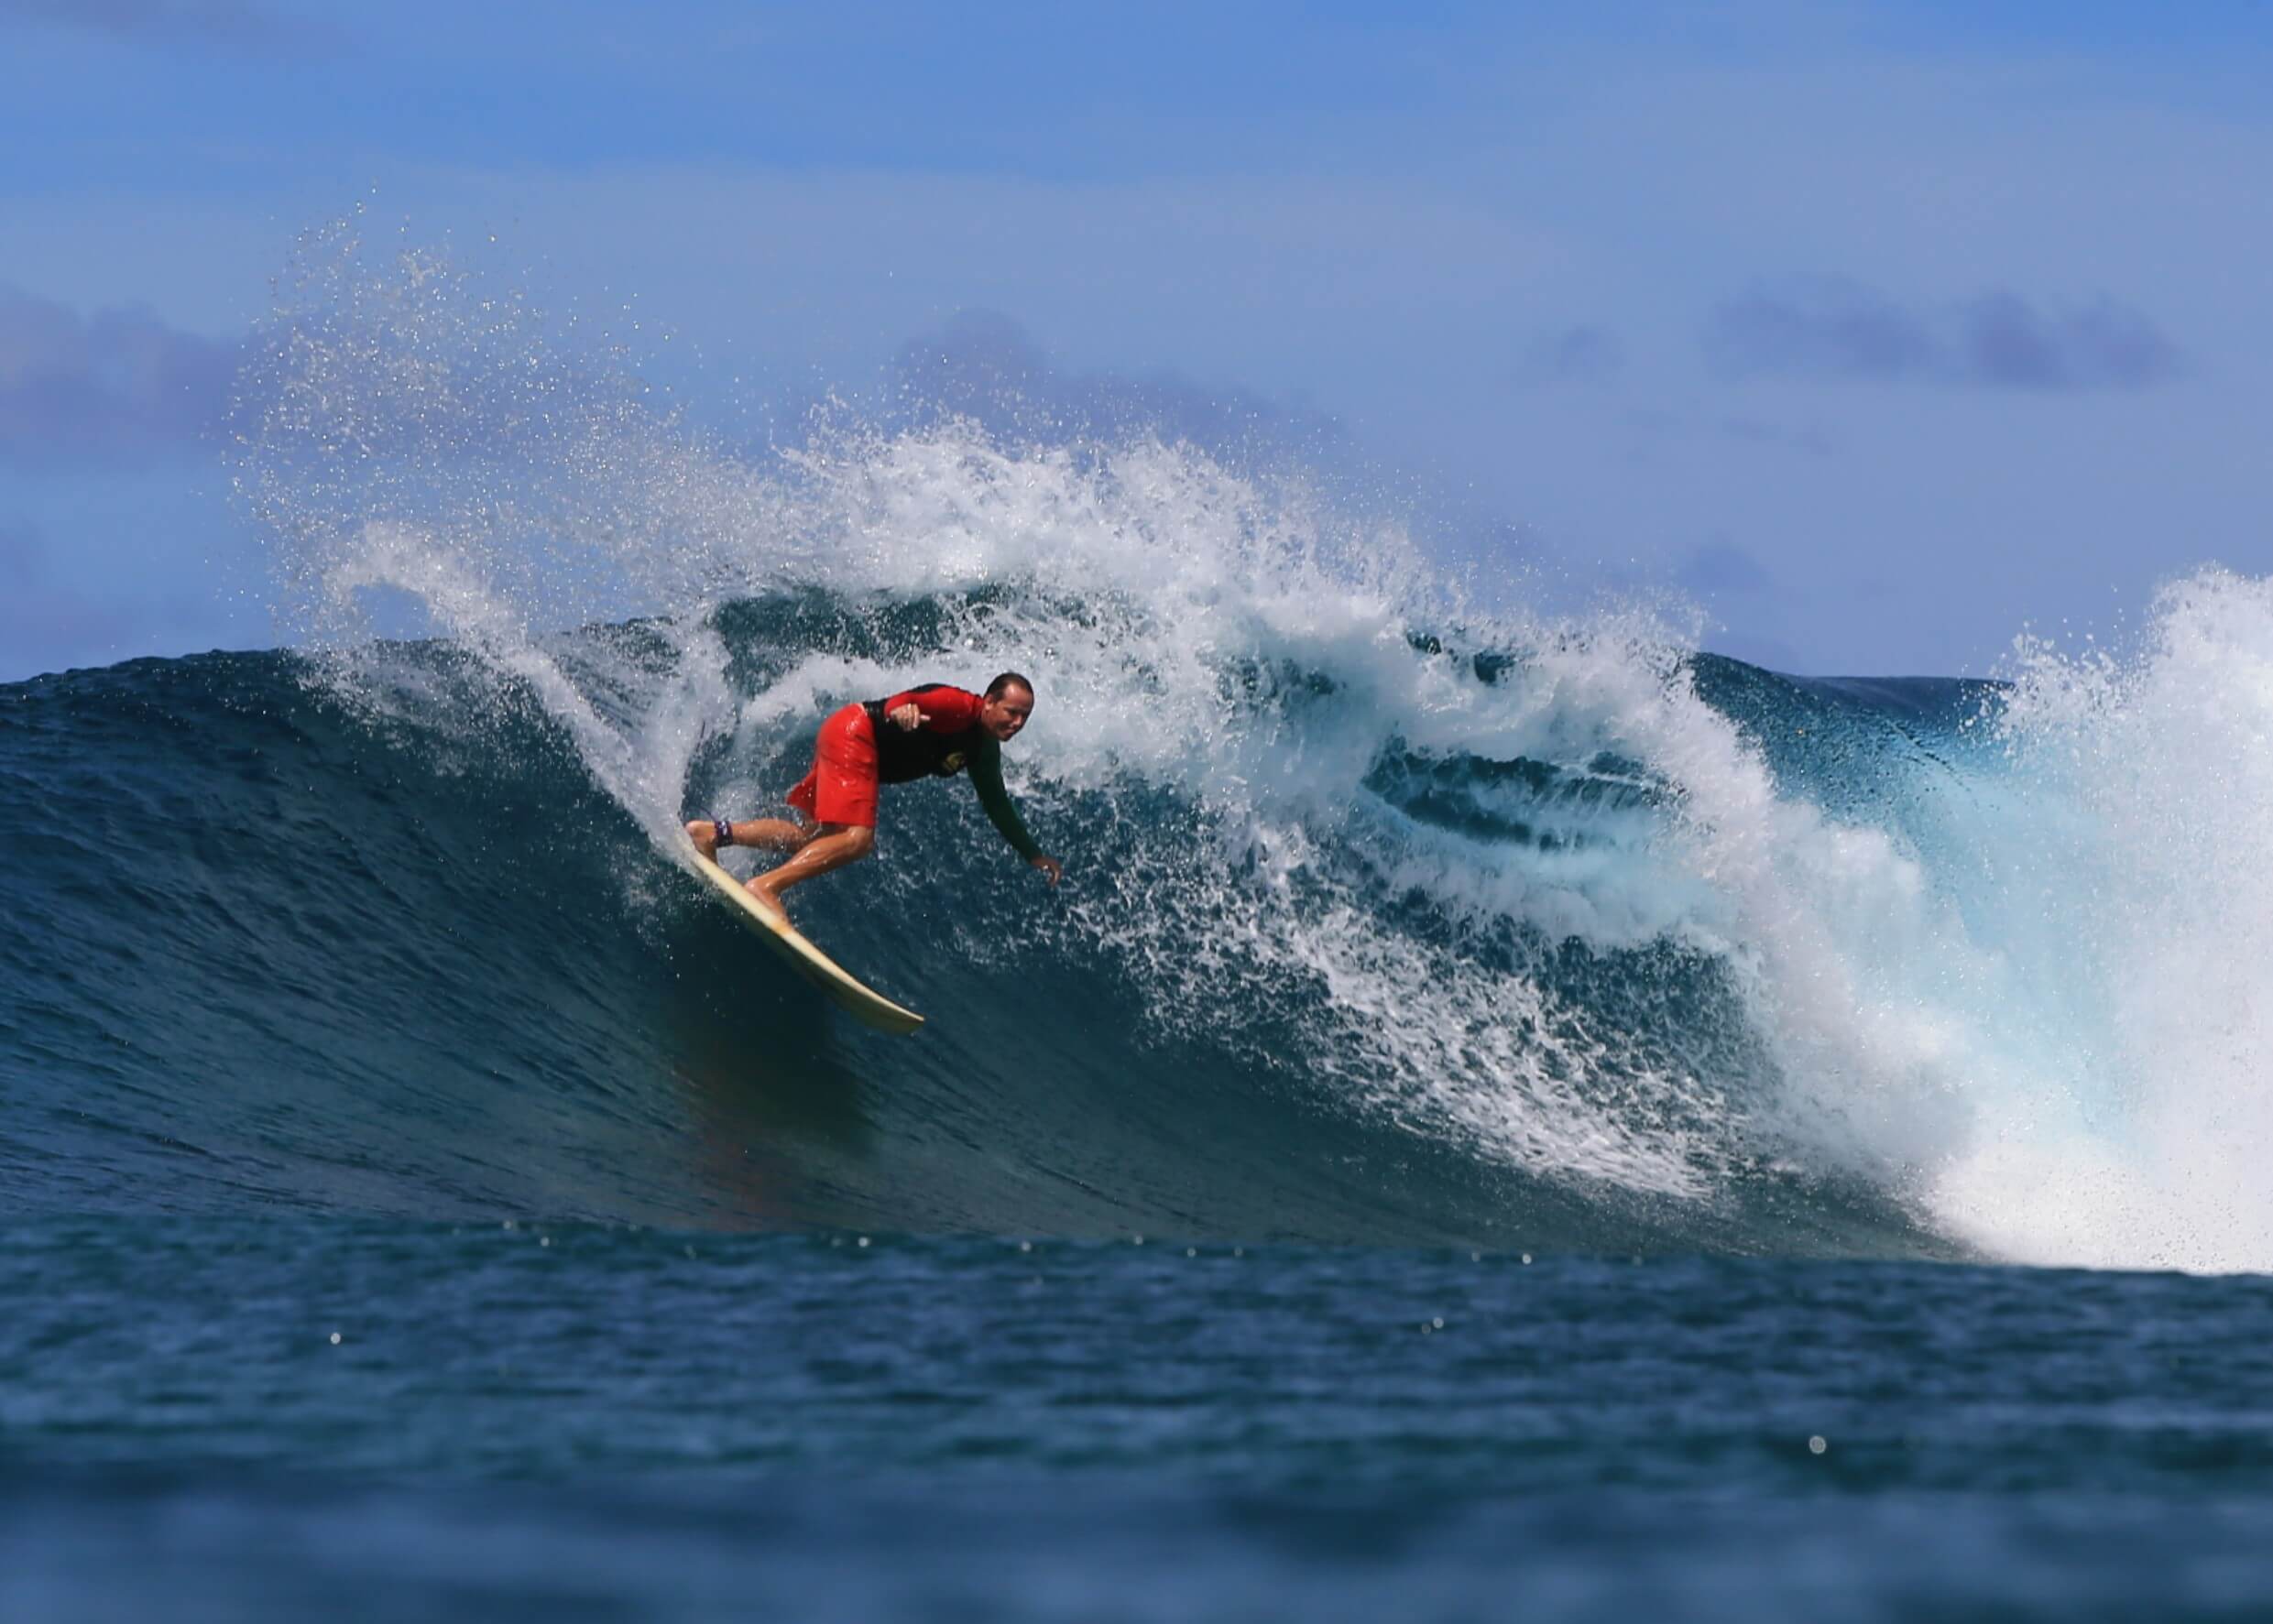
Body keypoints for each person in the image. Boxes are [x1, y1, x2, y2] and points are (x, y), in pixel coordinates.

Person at [687, 671, 1063, 922]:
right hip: (856, 734)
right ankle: (766, 887)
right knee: (857, 840)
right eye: (1012, 712)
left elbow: (997, 805)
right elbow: (904, 701)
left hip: (849, 741)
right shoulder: (960, 705)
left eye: (1024, 718)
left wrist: (1032, 853)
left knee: (811, 838)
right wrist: (902, 712)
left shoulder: (983, 751)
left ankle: (713, 833)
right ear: (990, 702)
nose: (1017, 723)